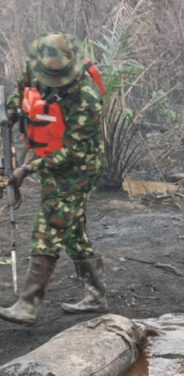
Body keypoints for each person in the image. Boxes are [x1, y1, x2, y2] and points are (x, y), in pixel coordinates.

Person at [0, 32, 107, 324]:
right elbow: (19, 93)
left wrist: (28, 169)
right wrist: (9, 114)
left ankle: (28, 304)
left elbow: (73, 152)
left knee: (49, 225)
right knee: (72, 231)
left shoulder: (85, 98)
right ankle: (96, 295)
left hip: (79, 167)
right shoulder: (36, 68)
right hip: (48, 154)